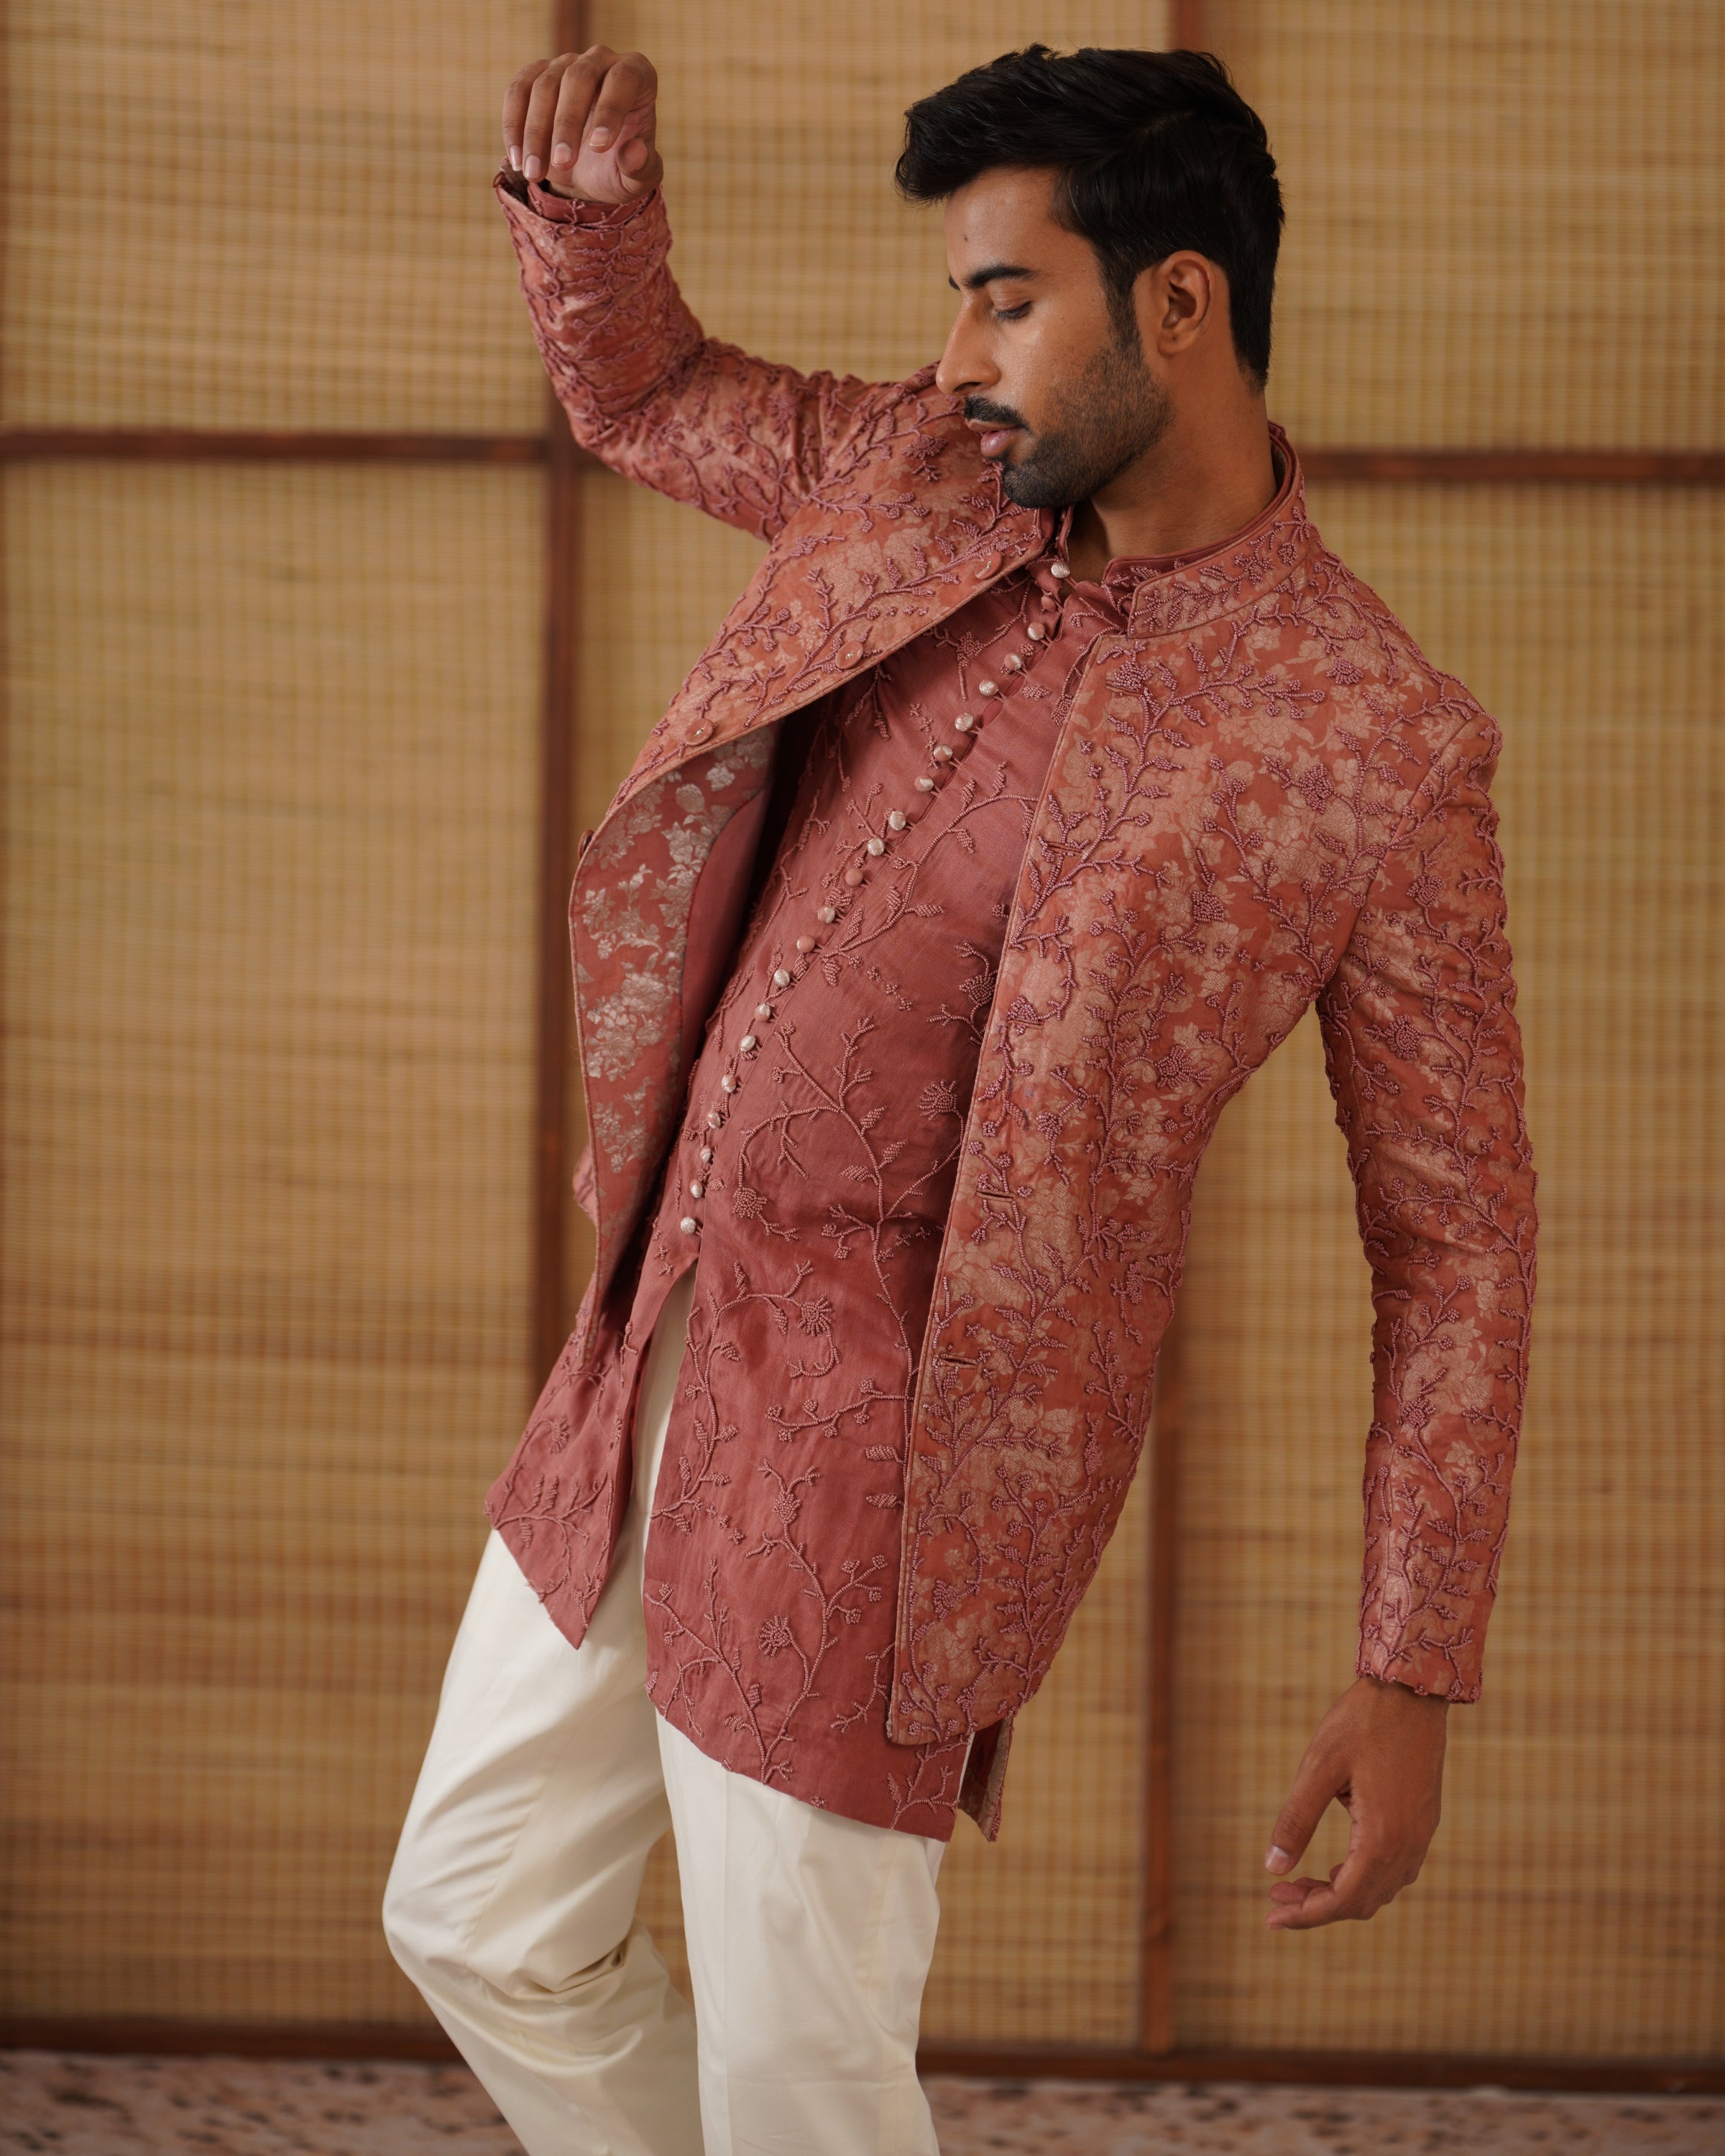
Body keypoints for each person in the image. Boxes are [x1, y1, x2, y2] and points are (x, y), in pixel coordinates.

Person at [384, 40, 1536, 2156]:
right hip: (661, 1327)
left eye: (1006, 301)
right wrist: (593, 223)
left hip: (898, 1460)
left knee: (800, 2073)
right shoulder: (915, 475)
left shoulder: (1371, 745)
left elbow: (1456, 1238)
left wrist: (1412, 1666)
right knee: (476, 1915)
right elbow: (649, 394)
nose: (957, 360)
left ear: (1176, 302)